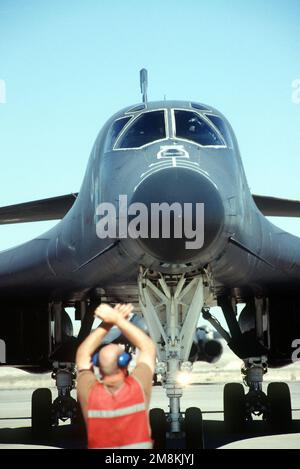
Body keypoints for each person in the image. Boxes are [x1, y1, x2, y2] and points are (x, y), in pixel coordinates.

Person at [76, 302, 156, 449]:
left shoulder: (90, 394)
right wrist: (119, 320)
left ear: (96, 363)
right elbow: (148, 347)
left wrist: (107, 323)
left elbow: (82, 355)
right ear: (124, 362)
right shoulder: (137, 390)